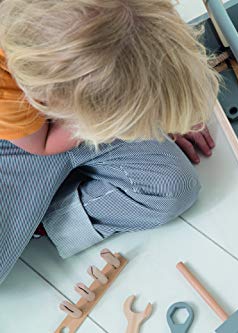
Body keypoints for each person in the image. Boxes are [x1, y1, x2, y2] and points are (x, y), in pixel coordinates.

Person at [0, 0, 220, 284]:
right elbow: (41, 144)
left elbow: (137, 25)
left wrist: (154, 97)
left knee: (170, 187)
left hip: (66, 108)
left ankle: (43, 215)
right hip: (25, 140)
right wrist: (130, 114)